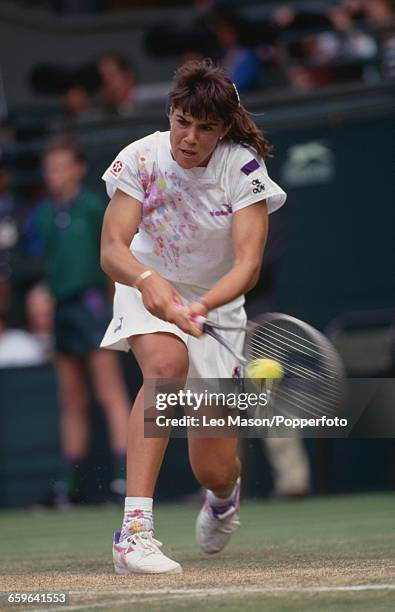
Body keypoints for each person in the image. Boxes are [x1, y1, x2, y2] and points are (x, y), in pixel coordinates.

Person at [100, 59, 286, 574]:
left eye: (205, 128)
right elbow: (113, 248)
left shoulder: (243, 167)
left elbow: (248, 265)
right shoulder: (139, 158)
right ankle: (133, 534)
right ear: (171, 112)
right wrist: (145, 281)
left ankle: (224, 497)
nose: (189, 137)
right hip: (147, 283)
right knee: (164, 366)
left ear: (223, 128)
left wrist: (202, 306)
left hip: (216, 305)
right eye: (183, 121)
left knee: (213, 467)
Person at [28, 137, 131, 506]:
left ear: (78, 168)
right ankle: (67, 485)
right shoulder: (42, 214)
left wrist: (113, 307)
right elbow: (45, 264)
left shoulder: (92, 207)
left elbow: (112, 258)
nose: (54, 175)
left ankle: (123, 480)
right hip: (62, 310)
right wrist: (43, 293)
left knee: (110, 393)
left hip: (93, 307)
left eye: (61, 166)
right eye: (49, 168)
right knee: (71, 399)